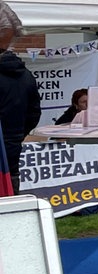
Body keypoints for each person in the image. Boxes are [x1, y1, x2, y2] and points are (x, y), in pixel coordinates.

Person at [0, 24, 41, 193]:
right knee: (11, 194)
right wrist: (17, 135)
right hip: (13, 144)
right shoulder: (27, 76)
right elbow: (34, 113)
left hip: (9, 141)